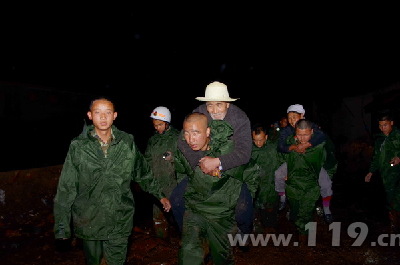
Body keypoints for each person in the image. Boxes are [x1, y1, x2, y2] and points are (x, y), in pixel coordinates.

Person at [53, 97, 171, 265]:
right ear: (90, 115)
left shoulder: (126, 142)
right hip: (89, 219)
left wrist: (160, 195)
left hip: (120, 217)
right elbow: (66, 186)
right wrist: (62, 226)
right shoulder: (78, 147)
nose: (103, 117)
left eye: (107, 112)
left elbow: (143, 172)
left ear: (114, 115)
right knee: (93, 261)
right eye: (98, 112)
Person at [171, 81, 257, 237]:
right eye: (210, 105)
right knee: (176, 200)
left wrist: (218, 162)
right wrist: (202, 163)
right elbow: (181, 141)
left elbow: (244, 153)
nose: (214, 110)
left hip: (233, 169)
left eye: (219, 105)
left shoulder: (240, 119)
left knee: (243, 206)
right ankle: (191, 236)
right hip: (202, 166)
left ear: (228, 104)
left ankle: (245, 231)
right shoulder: (200, 112)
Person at [174, 112, 260, 264]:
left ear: (207, 132)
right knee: (188, 257)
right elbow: (182, 174)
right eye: (186, 133)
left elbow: (251, 173)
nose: (190, 139)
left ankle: (243, 234)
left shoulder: (229, 150)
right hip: (195, 210)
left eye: (196, 133)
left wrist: (238, 200)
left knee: (222, 258)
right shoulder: (185, 151)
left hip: (221, 215)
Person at [275, 104, 336, 224]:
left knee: (326, 184)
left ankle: (327, 210)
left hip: (313, 164)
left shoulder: (312, 127)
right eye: (289, 118)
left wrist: (306, 144)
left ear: (302, 115)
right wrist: (292, 147)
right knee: (278, 175)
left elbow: (322, 137)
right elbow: (281, 146)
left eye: (295, 117)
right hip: (294, 164)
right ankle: (283, 198)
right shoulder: (287, 131)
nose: (292, 121)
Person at [284, 119, 336, 244]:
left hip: (312, 186)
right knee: (296, 212)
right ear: (295, 133)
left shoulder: (320, 147)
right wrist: (283, 173)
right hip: (293, 186)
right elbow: (280, 160)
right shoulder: (288, 144)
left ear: (312, 132)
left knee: (305, 212)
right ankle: (300, 227)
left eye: (306, 134)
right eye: (299, 134)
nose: (302, 138)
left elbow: (331, 164)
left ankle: (304, 238)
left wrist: (324, 179)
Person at [144, 106, 180, 239]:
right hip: (157, 184)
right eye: (155, 125)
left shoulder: (177, 137)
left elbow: (187, 160)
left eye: (159, 124)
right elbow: (147, 160)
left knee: (177, 214)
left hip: (173, 183)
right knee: (158, 216)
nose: (157, 127)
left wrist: (174, 158)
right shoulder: (153, 140)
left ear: (167, 123)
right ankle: (161, 242)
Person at [365, 112, 400, 233]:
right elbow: (376, 157)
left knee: (397, 198)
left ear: (391, 123)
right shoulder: (379, 139)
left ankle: (395, 224)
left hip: (397, 173)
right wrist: (370, 172)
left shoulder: (397, 135)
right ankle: (393, 223)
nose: (382, 128)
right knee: (390, 199)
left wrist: (399, 158)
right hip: (386, 175)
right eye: (380, 125)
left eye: (385, 125)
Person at [251, 123, 285, 232]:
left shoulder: (273, 148)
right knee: (258, 207)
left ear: (266, 137)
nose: (258, 143)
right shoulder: (250, 151)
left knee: (271, 207)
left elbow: (282, 161)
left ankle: (272, 227)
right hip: (258, 184)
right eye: (255, 140)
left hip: (272, 183)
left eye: (260, 140)